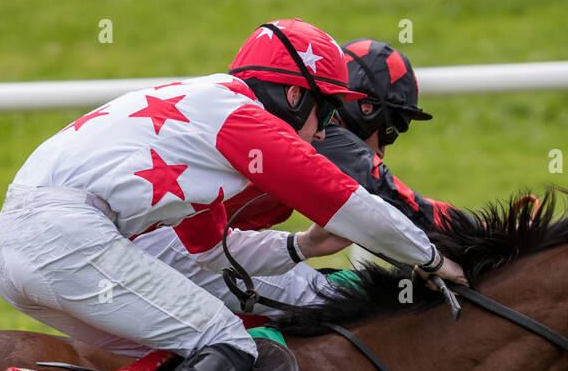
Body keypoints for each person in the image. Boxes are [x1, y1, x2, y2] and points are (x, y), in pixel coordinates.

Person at [0, 19, 466, 371]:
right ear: (290, 94)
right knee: (227, 340)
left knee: (177, 353)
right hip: (65, 239)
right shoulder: (244, 121)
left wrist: (302, 246)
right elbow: (352, 203)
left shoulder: (198, 124)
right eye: (324, 109)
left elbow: (211, 254)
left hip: (17, 252)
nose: (326, 130)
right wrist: (434, 259)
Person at [132, 37, 459, 311]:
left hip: (177, 244)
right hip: (173, 247)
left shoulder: (278, 121)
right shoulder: (326, 138)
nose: (385, 150)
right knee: (347, 308)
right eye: (392, 129)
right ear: (366, 109)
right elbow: (400, 206)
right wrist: (490, 238)